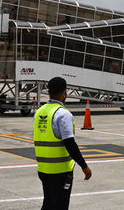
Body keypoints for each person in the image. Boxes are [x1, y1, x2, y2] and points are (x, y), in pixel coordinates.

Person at [34, 77, 92, 210]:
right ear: (64, 92)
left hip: (43, 169)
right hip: (60, 171)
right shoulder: (62, 114)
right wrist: (84, 165)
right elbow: (70, 143)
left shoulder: (39, 112)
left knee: (48, 204)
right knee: (60, 206)